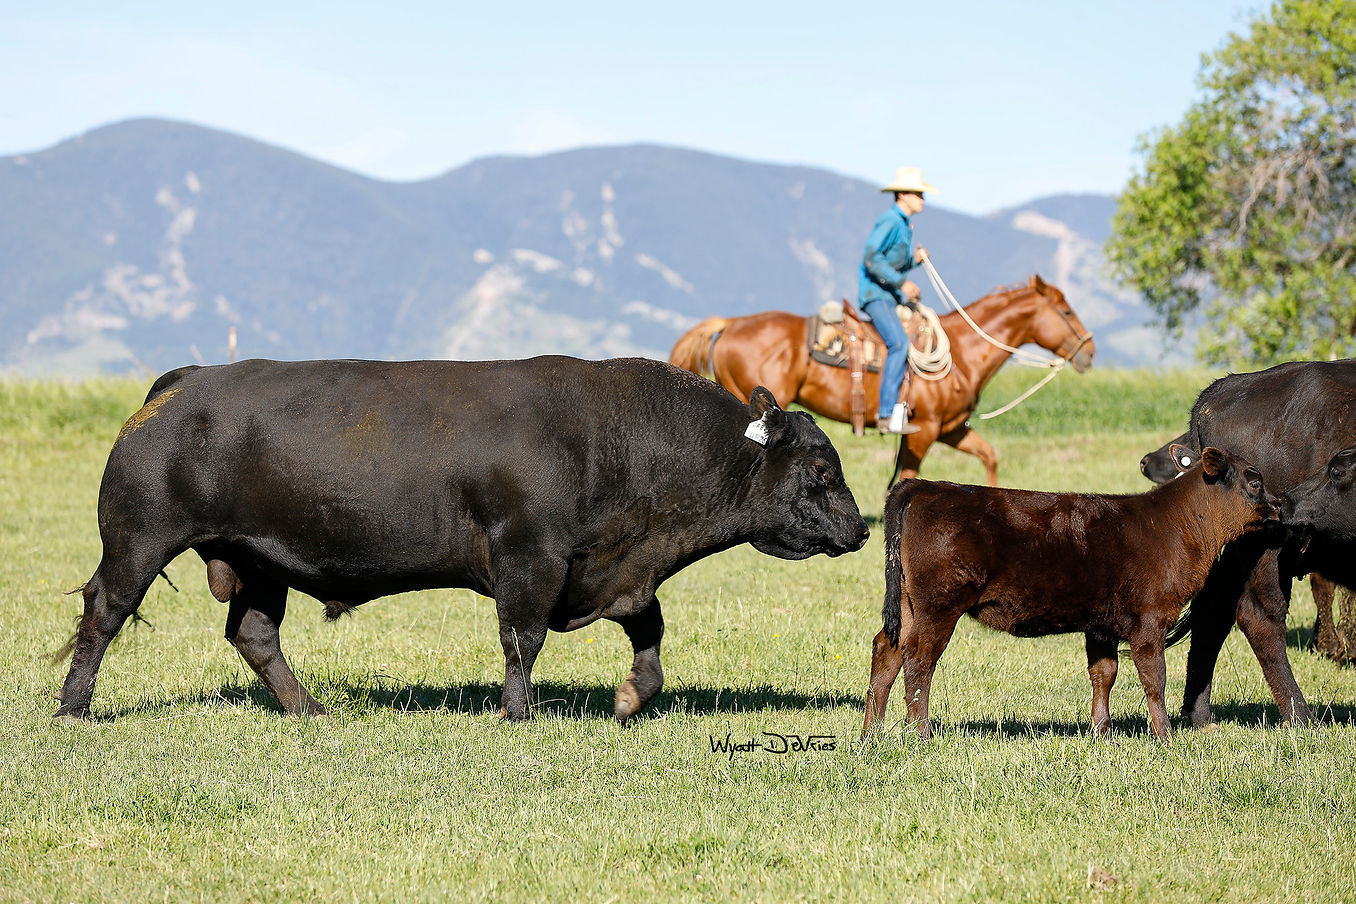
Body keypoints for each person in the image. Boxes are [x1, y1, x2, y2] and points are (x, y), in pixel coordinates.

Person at [858, 166, 935, 434]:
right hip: (876, 296)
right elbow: (872, 258)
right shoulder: (891, 221)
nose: (923, 199)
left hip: (890, 295)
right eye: (918, 193)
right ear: (902, 194)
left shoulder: (904, 225)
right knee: (899, 343)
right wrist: (903, 283)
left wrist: (914, 261)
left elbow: (890, 263)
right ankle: (887, 413)